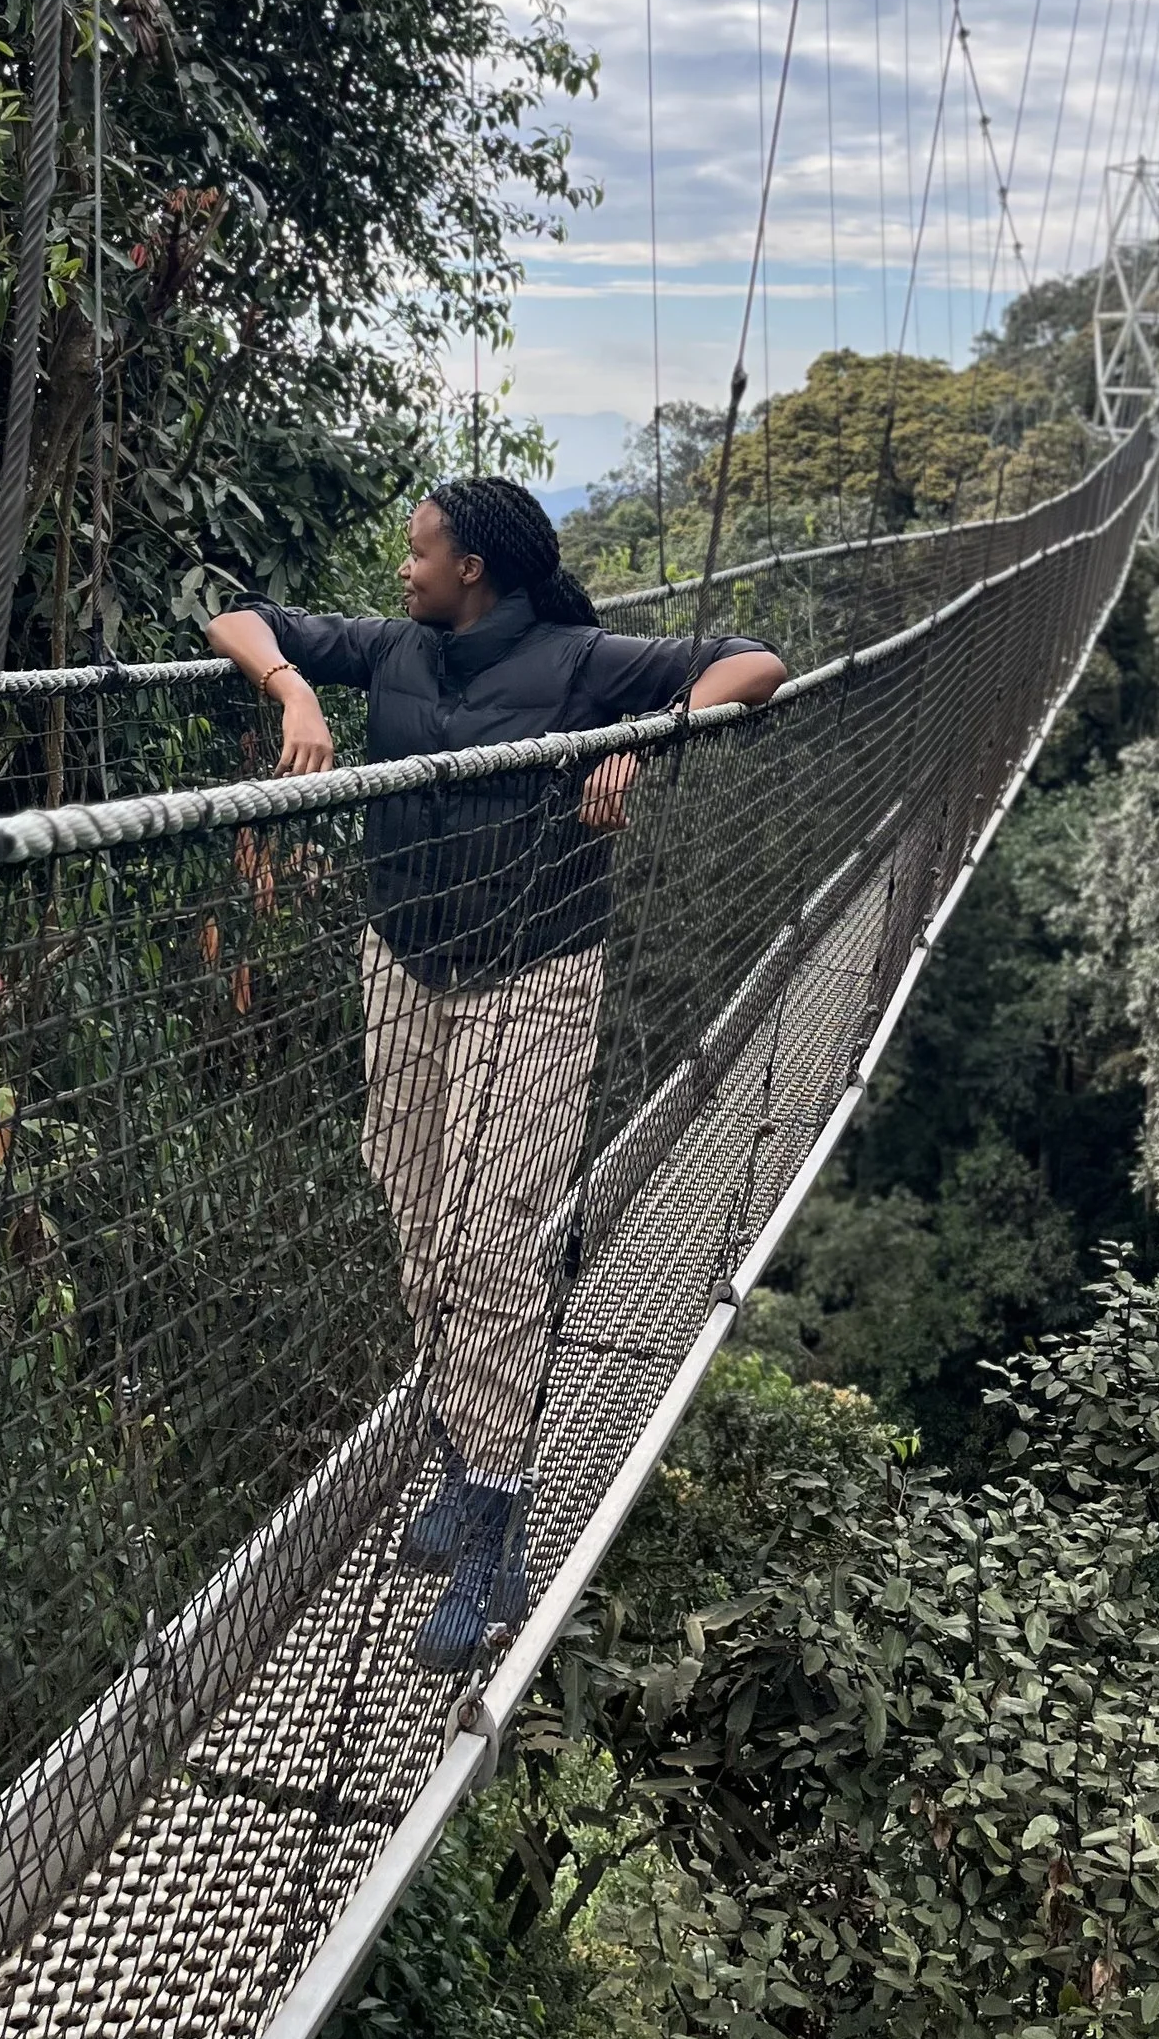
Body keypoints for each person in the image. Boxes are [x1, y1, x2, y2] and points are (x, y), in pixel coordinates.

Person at [207, 477, 785, 1669]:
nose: (402, 568)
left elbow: (753, 662)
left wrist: (643, 736)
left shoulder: (581, 662)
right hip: (405, 967)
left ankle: (499, 1517)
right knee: (418, 1219)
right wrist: (292, 687)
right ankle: (473, 1461)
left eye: (418, 551)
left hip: (534, 974)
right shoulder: (393, 649)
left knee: (491, 1232)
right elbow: (231, 615)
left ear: (473, 565)